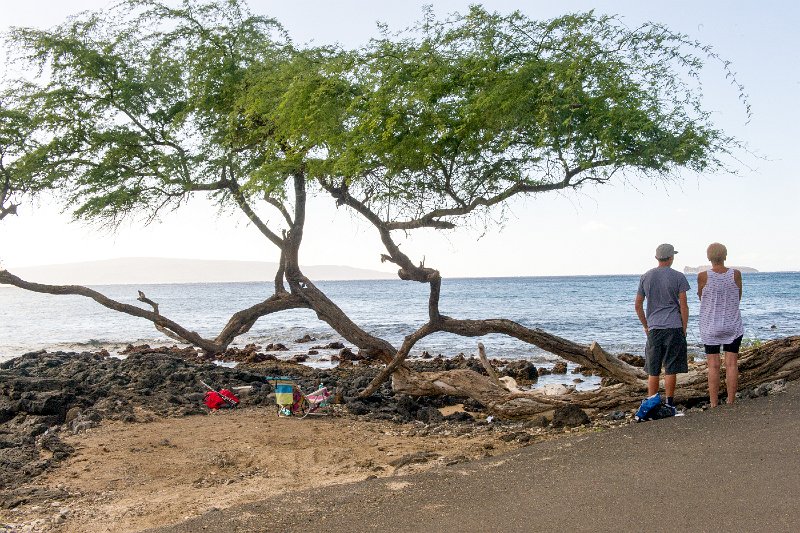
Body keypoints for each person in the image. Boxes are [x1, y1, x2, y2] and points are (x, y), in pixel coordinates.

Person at [635, 243, 690, 409]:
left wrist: (646, 325)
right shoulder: (678, 277)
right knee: (671, 368)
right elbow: (684, 306)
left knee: (653, 369)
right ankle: (669, 404)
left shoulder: (646, 276)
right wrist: (684, 328)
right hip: (673, 326)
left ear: (657, 258)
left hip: (654, 327)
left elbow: (638, 305)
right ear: (671, 257)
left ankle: (651, 404)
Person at [697, 242, 744, 407]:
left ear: (709, 257)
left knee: (713, 365)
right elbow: (738, 296)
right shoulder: (735, 274)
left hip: (710, 325)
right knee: (731, 363)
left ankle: (714, 403)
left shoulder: (703, 276)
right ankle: (731, 401)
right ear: (725, 256)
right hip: (732, 323)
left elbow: (701, 296)